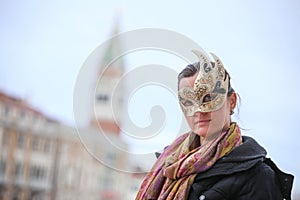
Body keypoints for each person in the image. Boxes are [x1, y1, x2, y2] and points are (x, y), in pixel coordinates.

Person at [135, 49, 294, 200]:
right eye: (188, 101)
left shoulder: (258, 176)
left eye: (208, 98)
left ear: (231, 102)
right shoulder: (168, 163)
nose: (198, 110)